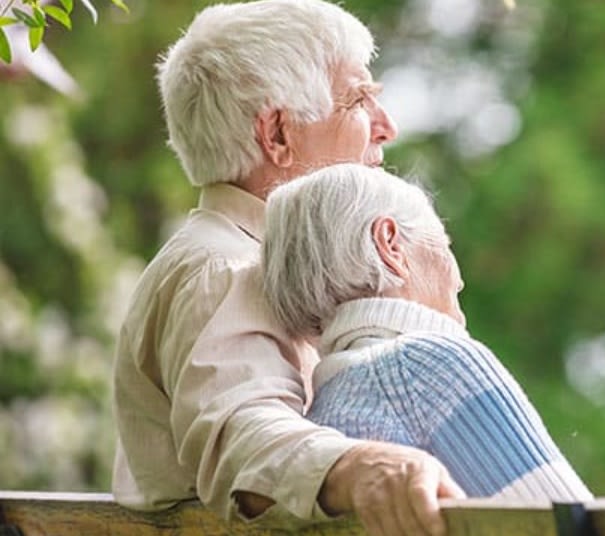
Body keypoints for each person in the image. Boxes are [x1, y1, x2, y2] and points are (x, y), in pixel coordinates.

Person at [110, 2, 464, 535]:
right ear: (276, 134)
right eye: (361, 100)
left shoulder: (255, 259)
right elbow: (241, 432)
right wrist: (362, 466)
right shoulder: (224, 266)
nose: (387, 127)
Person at [260, 163, 594, 501]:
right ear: (390, 245)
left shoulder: (321, 417)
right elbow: (572, 521)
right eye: (444, 243)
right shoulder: (431, 366)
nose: (459, 279)